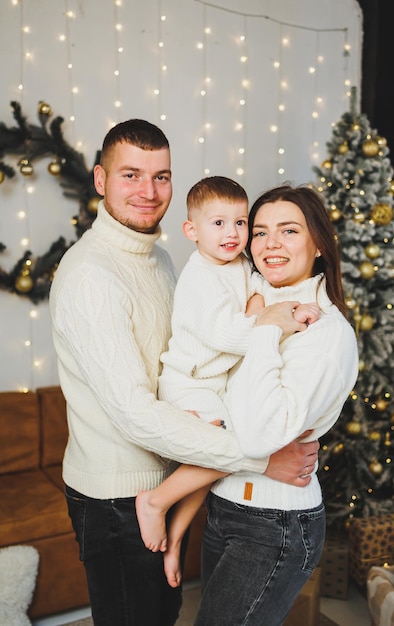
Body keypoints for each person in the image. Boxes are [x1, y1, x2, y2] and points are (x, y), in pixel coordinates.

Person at [48, 119, 320, 626]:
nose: (149, 192)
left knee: (162, 610)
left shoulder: (165, 260)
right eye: (131, 175)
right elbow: (135, 414)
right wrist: (260, 459)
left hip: (169, 468)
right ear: (101, 180)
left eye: (162, 176)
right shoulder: (91, 276)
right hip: (117, 497)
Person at [136, 175, 319, 588]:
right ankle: (155, 500)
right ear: (192, 231)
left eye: (240, 223)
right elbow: (231, 336)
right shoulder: (199, 277)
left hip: (214, 384)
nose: (232, 233)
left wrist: (264, 309)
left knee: (217, 466)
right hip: (189, 383)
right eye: (218, 223)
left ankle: (176, 535)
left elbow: (261, 296)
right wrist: (273, 321)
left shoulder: (239, 264)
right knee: (226, 448)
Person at [191, 184, 359, 626]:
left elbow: (261, 433)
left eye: (288, 230)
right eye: (260, 232)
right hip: (222, 503)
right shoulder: (249, 299)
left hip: (274, 524)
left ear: (318, 243)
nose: (270, 244)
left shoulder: (325, 332)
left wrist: (267, 329)